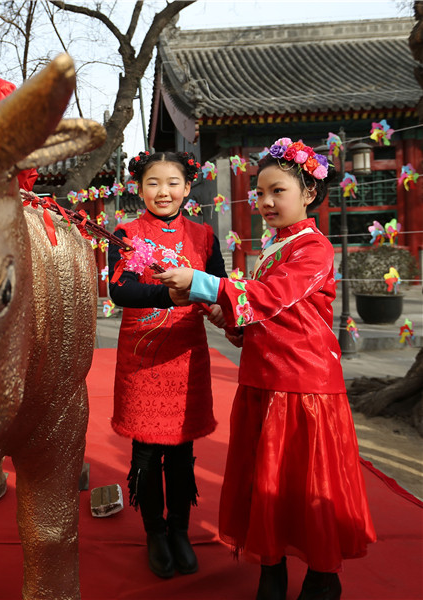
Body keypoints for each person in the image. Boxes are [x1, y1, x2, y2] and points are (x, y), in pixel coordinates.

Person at [154, 138, 376, 600]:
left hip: (304, 386)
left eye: (278, 191)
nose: (267, 202)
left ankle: (321, 576)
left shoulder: (313, 249)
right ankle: (271, 568)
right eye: (260, 193)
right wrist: (220, 314)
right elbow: (261, 314)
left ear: (309, 194)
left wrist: (201, 282)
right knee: (266, 482)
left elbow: (270, 297)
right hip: (263, 379)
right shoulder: (275, 246)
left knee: (305, 484)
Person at [108, 150, 227, 579]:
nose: (163, 191)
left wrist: (221, 312)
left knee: (182, 452)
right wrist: (168, 296)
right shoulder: (124, 232)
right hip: (142, 356)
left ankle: (180, 529)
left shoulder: (204, 237)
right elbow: (119, 291)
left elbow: (221, 289)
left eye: (173, 182)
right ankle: (154, 533)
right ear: (139, 188)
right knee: (146, 453)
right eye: (153, 182)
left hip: (187, 354)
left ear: (188, 187)